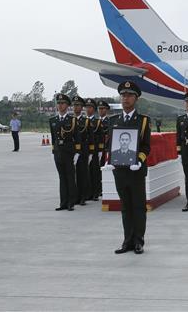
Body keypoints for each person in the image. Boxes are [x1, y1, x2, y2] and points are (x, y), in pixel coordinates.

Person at [101, 81, 151, 254]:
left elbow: (146, 146)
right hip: (120, 171)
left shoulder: (143, 121)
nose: (125, 98)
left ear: (136, 99)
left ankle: (138, 241)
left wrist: (139, 160)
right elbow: (109, 145)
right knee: (125, 207)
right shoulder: (113, 120)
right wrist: (109, 160)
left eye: (129, 95)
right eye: (123, 95)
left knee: (138, 206)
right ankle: (127, 241)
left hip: (136, 171)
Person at [49, 94, 78, 211]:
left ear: (67, 105)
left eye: (62, 103)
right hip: (58, 152)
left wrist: (77, 153)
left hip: (69, 152)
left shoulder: (72, 120)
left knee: (70, 177)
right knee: (62, 178)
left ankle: (71, 202)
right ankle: (63, 203)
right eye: (59, 103)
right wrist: (54, 151)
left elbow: (77, 137)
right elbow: (53, 138)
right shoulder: (53, 120)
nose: (60, 106)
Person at [91, 100, 112, 200]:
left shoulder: (110, 121)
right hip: (96, 149)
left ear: (106, 110)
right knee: (96, 170)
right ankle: (98, 189)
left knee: (105, 169)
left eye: (103, 109)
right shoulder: (94, 121)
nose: (101, 110)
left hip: (106, 149)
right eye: (99, 109)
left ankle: (105, 188)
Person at [72, 95, 90, 206]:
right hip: (72, 150)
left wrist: (91, 153)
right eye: (74, 105)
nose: (75, 107)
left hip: (83, 151)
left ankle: (83, 196)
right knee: (72, 175)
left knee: (82, 174)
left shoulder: (86, 121)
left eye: (78, 105)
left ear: (82, 107)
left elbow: (90, 137)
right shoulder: (70, 120)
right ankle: (75, 196)